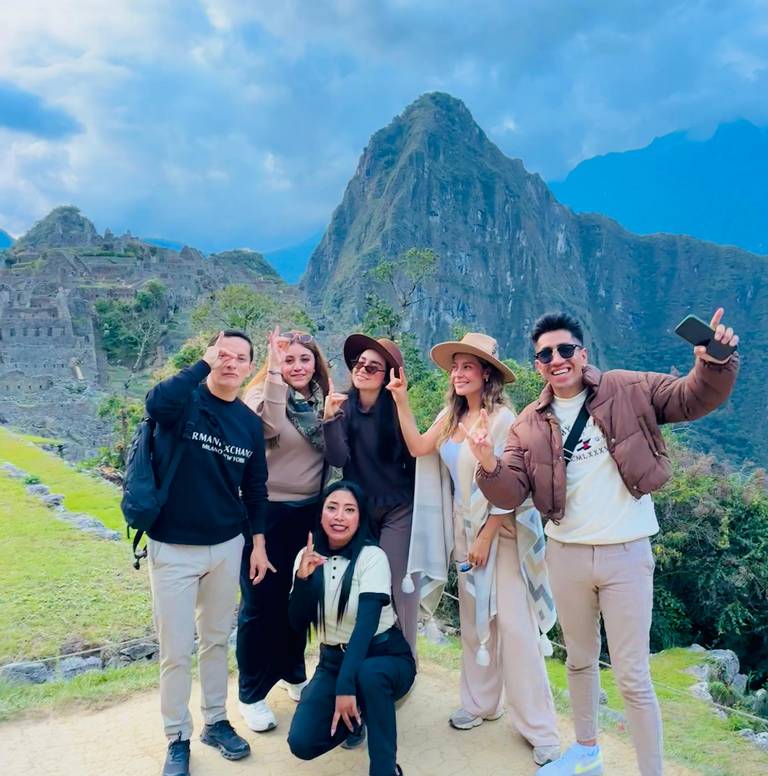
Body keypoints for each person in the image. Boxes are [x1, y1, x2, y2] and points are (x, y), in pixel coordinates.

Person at [469, 309, 740, 776]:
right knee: (579, 661)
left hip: (626, 553)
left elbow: (691, 398)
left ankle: (651, 770)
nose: (557, 359)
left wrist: (714, 362)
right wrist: (488, 464)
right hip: (565, 555)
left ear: (582, 353)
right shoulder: (528, 424)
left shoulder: (628, 388)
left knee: (633, 676)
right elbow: (510, 492)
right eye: (546, 354)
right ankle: (587, 752)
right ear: (537, 365)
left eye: (565, 349)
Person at [387, 332, 561, 767]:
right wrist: (401, 399)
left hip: (502, 533)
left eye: (468, 366)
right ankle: (481, 703)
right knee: (473, 622)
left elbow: (514, 484)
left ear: (487, 373)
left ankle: (540, 727)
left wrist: (486, 535)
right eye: (456, 367)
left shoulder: (504, 420)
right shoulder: (451, 416)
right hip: (464, 531)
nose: (459, 374)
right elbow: (419, 447)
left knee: (515, 628)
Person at [145, 330, 270, 776]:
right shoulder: (185, 402)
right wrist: (201, 365)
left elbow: (256, 488)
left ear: (251, 366)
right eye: (223, 355)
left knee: (216, 640)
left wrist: (257, 544)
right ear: (211, 356)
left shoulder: (249, 423)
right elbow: (156, 404)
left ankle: (216, 721)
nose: (230, 363)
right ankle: (177, 736)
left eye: (240, 357)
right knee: (176, 649)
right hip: (173, 545)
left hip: (226, 546)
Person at [236, 327, 331, 732]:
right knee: (260, 603)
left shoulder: (323, 400)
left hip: (309, 513)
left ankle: (293, 671)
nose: (297, 366)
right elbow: (269, 428)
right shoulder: (259, 395)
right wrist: (274, 374)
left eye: (304, 359)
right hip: (265, 514)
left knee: (300, 600)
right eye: (288, 359)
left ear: (316, 363)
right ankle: (252, 692)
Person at [287, 480, 416, 776]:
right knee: (302, 742)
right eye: (332, 508)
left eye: (349, 510)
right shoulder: (306, 556)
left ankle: (385, 769)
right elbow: (296, 623)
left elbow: (365, 626)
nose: (339, 517)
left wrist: (345, 688)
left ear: (360, 518)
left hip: (383, 656)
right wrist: (303, 581)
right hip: (333, 662)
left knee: (370, 675)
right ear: (321, 513)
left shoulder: (372, 557)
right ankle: (358, 717)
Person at [322, 335, 418, 654]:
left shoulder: (396, 410)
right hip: (360, 511)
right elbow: (337, 459)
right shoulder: (343, 407)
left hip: (397, 508)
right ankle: (361, 658)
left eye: (373, 367)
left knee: (395, 584)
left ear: (387, 376)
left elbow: (414, 459)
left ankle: (405, 660)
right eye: (359, 363)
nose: (362, 369)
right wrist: (330, 419)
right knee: (361, 585)